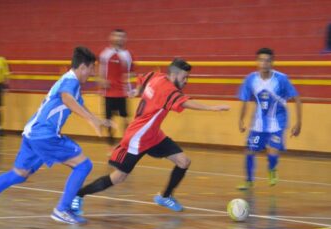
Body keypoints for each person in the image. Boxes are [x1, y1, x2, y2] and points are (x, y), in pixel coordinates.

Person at [0, 46, 114, 225]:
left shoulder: (71, 83)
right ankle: (62, 209)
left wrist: (97, 121)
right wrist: (92, 120)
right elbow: (67, 99)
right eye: (92, 69)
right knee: (83, 165)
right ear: (83, 67)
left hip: (32, 133)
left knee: (19, 174)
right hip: (45, 134)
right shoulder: (71, 82)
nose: (92, 73)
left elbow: (78, 105)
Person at [70, 58, 230, 214]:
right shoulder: (168, 90)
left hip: (154, 135)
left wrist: (137, 91)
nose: (186, 81)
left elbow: (143, 79)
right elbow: (185, 103)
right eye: (184, 77)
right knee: (119, 177)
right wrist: (212, 108)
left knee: (183, 161)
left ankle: (165, 196)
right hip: (137, 138)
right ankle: (79, 194)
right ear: (174, 75)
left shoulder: (156, 75)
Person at [237, 48, 302, 190]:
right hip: (258, 124)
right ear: (257, 62)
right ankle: (248, 181)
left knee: (272, 151)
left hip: (277, 123)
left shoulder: (281, 79)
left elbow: (297, 99)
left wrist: (299, 123)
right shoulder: (250, 79)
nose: (264, 63)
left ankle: (272, 169)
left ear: (272, 62)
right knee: (249, 151)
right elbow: (244, 100)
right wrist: (241, 120)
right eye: (261, 60)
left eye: (267, 60)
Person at [98, 29, 135, 147]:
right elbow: (99, 72)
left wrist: (129, 83)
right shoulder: (105, 54)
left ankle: (125, 143)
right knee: (108, 121)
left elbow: (131, 72)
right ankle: (111, 145)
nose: (119, 39)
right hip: (108, 93)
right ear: (112, 37)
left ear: (125, 39)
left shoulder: (128, 55)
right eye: (117, 36)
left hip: (122, 93)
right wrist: (101, 81)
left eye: (122, 37)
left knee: (125, 119)